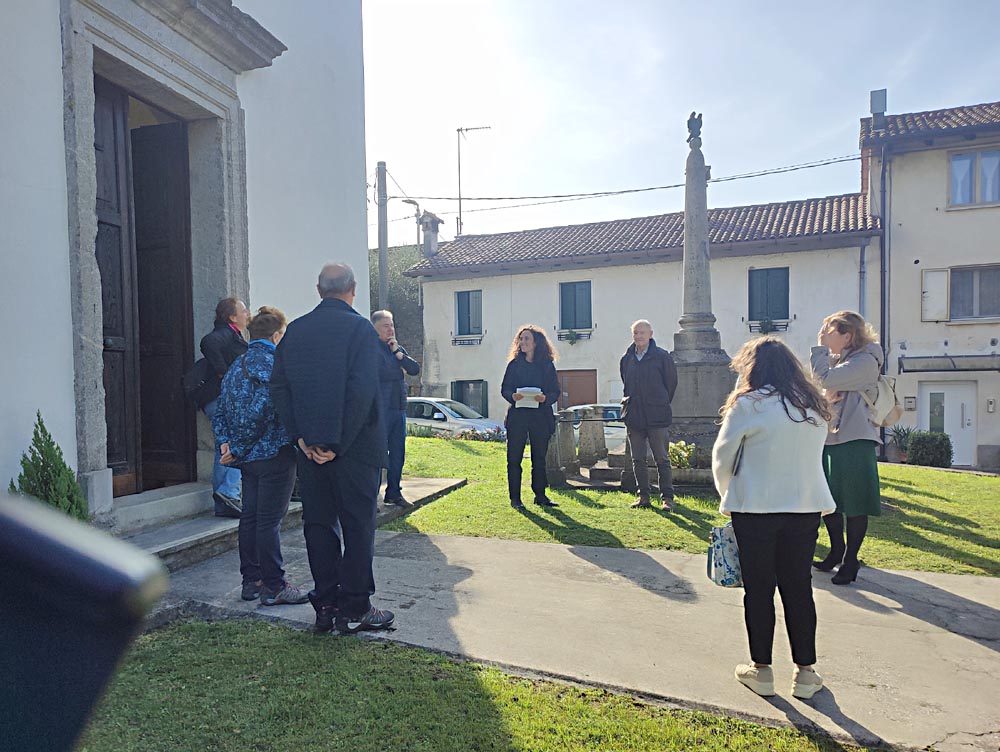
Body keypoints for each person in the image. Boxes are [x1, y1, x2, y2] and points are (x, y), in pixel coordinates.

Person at [270, 263, 394, 635]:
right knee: (358, 527)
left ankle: (325, 605)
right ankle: (355, 607)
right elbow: (362, 392)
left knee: (319, 526)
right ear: (352, 289)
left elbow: (280, 388)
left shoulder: (296, 330)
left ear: (319, 289)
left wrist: (301, 438)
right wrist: (338, 445)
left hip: (310, 450)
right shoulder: (361, 329)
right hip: (355, 449)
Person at [712, 336, 835, 700]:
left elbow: (723, 456)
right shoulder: (812, 405)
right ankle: (805, 671)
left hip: (756, 507)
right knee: (799, 588)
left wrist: (729, 494)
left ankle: (761, 668)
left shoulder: (748, 404)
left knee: (759, 589)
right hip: (804, 505)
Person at [211, 306, 309, 606]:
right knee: (268, 522)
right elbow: (264, 410)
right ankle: (275, 585)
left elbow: (220, 409)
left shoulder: (236, 365)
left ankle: (251, 581)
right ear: (277, 335)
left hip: (247, 460)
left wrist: (226, 444)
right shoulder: (276, 364)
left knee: (250, 519)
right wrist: (237, 447)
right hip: (274, 455)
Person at [810, 310, 884, 586]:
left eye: (828, 332)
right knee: (830, 501)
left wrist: (819, 350)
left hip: (855, 440)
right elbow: (818, 385)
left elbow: (824, 380)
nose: (823, 336)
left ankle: (850, 560)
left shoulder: (864, 361)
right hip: (832, 438)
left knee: (854, 503)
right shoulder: (842, 360)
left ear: (847, 335)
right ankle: (836, 551)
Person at [620, 319, 679, 510]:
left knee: (662, 459)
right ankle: (643, 496)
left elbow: (671, 385)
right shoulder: (627, 358)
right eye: (635, 333)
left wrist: (659, 403)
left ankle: (667, 498)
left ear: (650, 334)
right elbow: (626, 383)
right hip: (634, 416)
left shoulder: (662, 357)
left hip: (657, 416)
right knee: (638, 459)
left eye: (642, 333)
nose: (639, 336)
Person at [500, 326, 560, 511]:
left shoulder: (547, 365)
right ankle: (515, 498)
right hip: (518, 417)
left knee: (539, 459)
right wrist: (513, 396)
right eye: (521, 339)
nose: (523, 342)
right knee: (514, 459)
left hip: (540, 417)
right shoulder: (514, 365)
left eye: (527, 339)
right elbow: (505, 388)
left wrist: (545, 399)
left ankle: (540, 495)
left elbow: (555, 392)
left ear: (536, 343)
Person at [201, 297, 249, 518]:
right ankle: (229, 493)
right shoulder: (224, 334)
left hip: (221, 399)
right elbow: (208, 342)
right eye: (243, 310)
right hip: (222, 399)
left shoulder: (234, 335)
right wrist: (225, 373)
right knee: (236, 443)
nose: (247, 314)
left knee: (225, 445)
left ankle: (223, 502)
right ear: (232, 317)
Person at [371, 310, 421, 506]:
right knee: (377, 454)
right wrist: (399, 371)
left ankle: (394, 492)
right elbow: (379, 373)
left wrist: (398, 354)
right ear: (375, 328)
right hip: (380, 410)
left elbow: (414, 369)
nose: (391, 330)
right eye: (386, 326)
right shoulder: (371, 349)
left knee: (398, 453)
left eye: (392, 325)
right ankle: (372, 498)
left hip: (398, 408)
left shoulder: (396, 350)